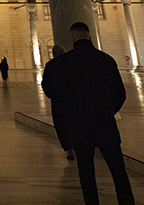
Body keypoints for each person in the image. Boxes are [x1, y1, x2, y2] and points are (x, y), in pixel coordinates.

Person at [49, 22, 134, 205]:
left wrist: (71, 117)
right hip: (105, 123)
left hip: (80, 125)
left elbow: (58, 96)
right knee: (118, 170)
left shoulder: (64, 63)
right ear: (90, 36)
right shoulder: (106, 59)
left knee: (86, 171)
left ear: (72, 38)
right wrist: (108, 111)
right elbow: (120, 93)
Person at [41, 45, 75, 161]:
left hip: (58, 101)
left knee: (62, 124)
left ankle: (69, 148)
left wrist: (51, 94)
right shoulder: (72, 63)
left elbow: (45, 83)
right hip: (72, 100)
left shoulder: (50, 66)